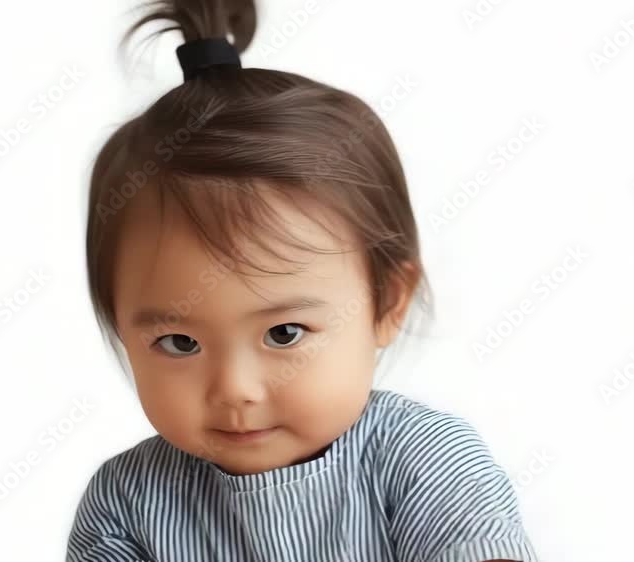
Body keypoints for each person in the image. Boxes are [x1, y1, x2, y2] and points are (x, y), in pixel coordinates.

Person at [66, 1, 539, 560]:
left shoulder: (424, 459)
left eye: (284, 333)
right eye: (180, 342)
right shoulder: (126, 503)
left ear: (387, 301)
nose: (235, 389)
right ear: (120, 325)